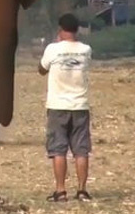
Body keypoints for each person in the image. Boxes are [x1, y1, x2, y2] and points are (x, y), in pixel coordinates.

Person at [38, 13, 93, 203]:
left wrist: (56, 44)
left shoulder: (52, 49)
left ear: (60, 29)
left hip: (57, 106)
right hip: (80, 105)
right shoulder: (86, 50)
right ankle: (82, 190)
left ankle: (60, 191)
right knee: (81, 150)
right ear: (77, 30)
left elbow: (41, 69)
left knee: (58, 150)